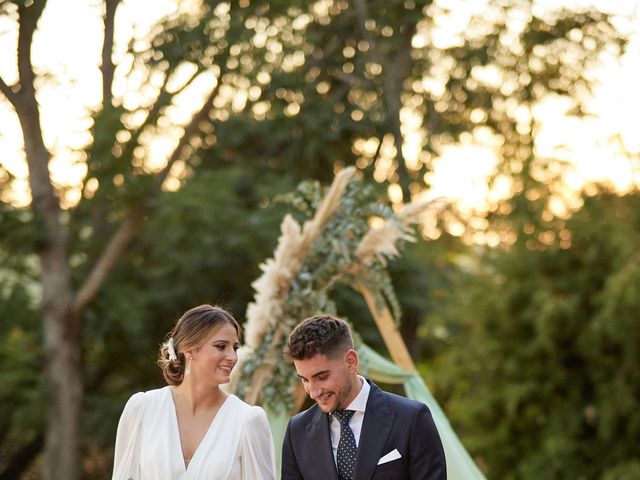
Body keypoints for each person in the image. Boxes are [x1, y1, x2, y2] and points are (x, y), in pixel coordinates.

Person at [112, 304, 276, 480]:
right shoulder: (142, 409)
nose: (233, 357)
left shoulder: (248, 420)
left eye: (235, 348)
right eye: (221, 346)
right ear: (189, 350)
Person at [281, 314, 446, 480]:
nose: (313, 392)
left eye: (322, 376)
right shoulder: (297, 431)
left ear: (351, 362)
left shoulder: (411, 419)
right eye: (305, 379)